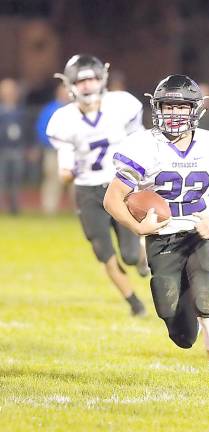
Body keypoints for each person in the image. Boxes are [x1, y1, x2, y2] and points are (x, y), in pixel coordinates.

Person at [103, 74, 209, 392]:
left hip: (200, 233)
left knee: (208, 305)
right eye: (168, 106)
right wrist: (139, 226)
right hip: (161, 235)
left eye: (181, 107)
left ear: (195, 110)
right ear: (157, 108)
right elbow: (112, 199)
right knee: (178, 330)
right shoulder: (142, 146)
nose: (174, 114)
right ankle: (190, 297)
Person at [46, 54, 149, 316]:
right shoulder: (63, 119)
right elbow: (64, 173)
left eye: (91, 79)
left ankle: (140, 258)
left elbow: (139, 144)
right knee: (104, 253)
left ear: (101, 78)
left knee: (129, 254)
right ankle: (134, 303)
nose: (88, 85)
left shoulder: (122, 105)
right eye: (81, 81)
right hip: (88, 191)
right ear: (70, 85)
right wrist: (67, 173)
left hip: (119, 186)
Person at [35, 83, 72, 215]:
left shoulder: (76, 109)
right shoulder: (50, 109)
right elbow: (42, 129)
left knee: (77, 181)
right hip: (53, 151)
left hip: (74, 152)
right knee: (52, 180)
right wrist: (53, 144)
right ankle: (49, 210)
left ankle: (79, 210)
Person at [0, 78, 28, 214]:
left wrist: (29, 147)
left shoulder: (21, 111)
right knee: (2, 180)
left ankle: (14, 208)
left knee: (16, 181)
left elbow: (28, 130)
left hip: (17, 150)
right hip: (2, 150)